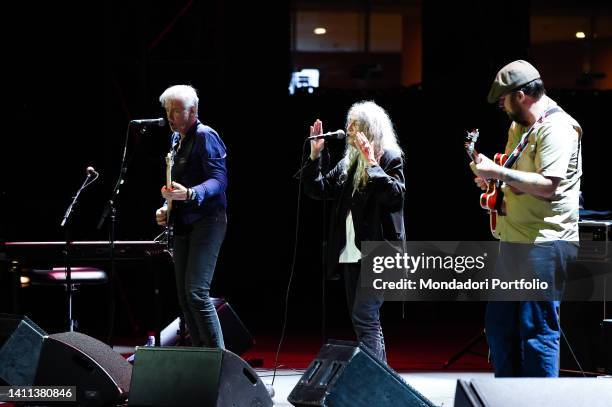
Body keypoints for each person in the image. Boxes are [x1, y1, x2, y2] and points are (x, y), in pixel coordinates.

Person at [470, 60, 582, 377]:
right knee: (499, 330)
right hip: (515, 241)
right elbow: (517, 176)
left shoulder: (556, 128)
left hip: (544, 243)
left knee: (537, 333)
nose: (503, 108)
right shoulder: (520, 127)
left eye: (504, 100)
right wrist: (494, 180)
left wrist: (498, 171)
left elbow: (548, 185)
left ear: (520, 95)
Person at [302, 101, 405, 362]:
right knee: (364, 321)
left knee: (365, 316)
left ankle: (376, 383)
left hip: (379, 251)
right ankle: (380, 379)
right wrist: (315, 156)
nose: (347, 129)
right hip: (351, 251)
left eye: (354, 125)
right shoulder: (348, 163)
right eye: (349, 123)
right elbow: (318, 189)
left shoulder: (390, 158)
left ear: (369, 130)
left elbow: (395, 197)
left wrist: (372, 163)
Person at [155, 84, 228, 348]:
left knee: (197, 293)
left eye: (176, 111)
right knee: (185, 298)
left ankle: (218, 362)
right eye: (167, 111)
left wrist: (189, 194)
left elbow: (219, 181)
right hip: (184, 224)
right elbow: (178, 185)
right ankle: (201, 360)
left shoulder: (206, 136)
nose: (170, 116)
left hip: (208, 222)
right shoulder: (176, 140)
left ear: (193, 110)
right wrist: (168, 208)